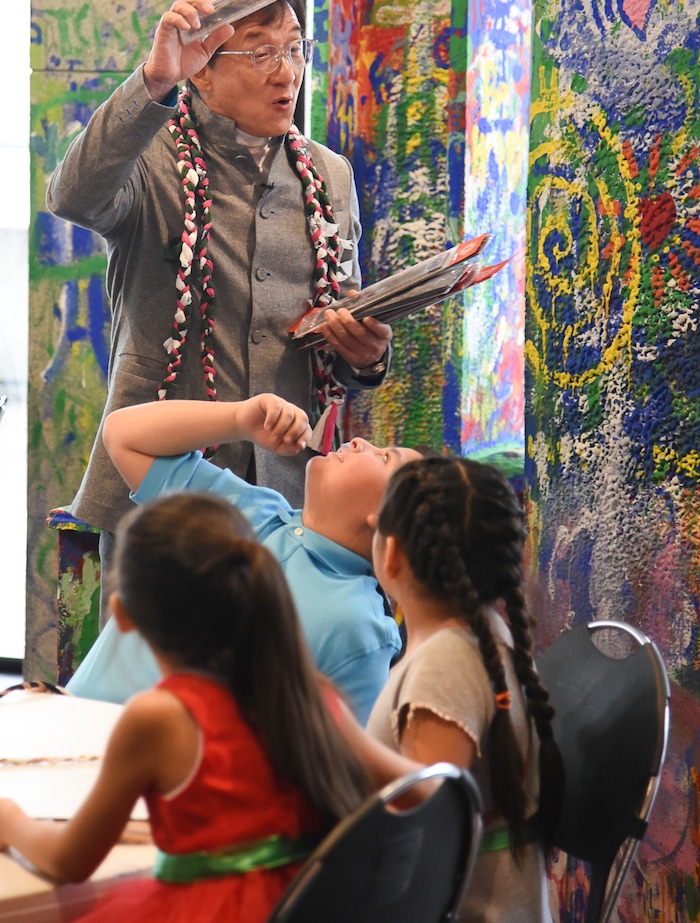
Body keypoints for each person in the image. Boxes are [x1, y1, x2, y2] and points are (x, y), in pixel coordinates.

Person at [46, 0, 392, 619]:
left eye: (294, 49)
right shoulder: (150, 159)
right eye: (261, 53)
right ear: (202, 67)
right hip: (157, 501)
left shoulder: (329, 176)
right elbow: (72, 194)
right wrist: (154, 80)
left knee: (258, 704)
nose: (285, 72)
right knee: (147, 700)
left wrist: (365, 352)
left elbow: (338, 329)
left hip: (284, 506)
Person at [0, 491, 419, 922]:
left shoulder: (158, 719)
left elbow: (70, 862)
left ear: (122, 614)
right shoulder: (308, 691)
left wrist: (10, 819)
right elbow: (428, 789)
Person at [67, 394, 421, 724]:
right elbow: (122, 434)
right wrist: (238, 419)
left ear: (388, 517)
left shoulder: (359, 626)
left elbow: (337, 772)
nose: (360, 442)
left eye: (385, 458)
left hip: (167, 782)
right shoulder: (253, 508)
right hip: (69, 730)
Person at [365, 455, 563, 923]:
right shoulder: (483, 633)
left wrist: (331, 728)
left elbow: (428, 837)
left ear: (391, 553)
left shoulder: (445, 666)